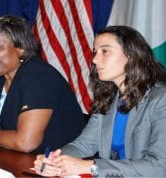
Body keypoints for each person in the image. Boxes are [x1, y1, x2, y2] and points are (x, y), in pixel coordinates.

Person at [34, 26, 166, 177]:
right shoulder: (109, 97)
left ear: (131, 55)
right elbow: (84, 144)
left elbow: (159, 167)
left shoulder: (161, 99)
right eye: (95, 52)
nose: (95, 60)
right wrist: (54, 160)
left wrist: (92, 166)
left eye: (105, 51)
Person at [0, 15, 85, 153]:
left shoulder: (40, 77)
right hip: (11, 159)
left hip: (57, 164)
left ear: (21, 49)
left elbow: (25, 143)